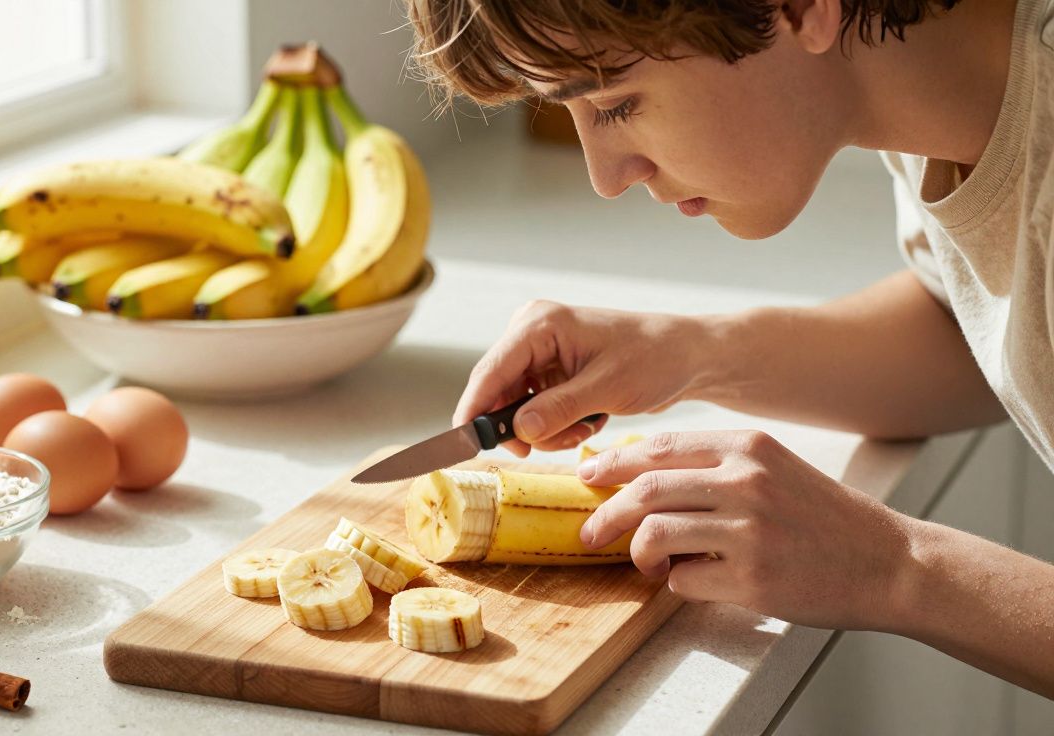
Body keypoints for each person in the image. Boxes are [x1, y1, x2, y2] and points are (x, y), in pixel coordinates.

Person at [405, 0, 1054, 697]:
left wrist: (894, 566)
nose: (606, 176)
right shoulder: (935, 103)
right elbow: (978, 333)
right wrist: (687, 352)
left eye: (617, 105)